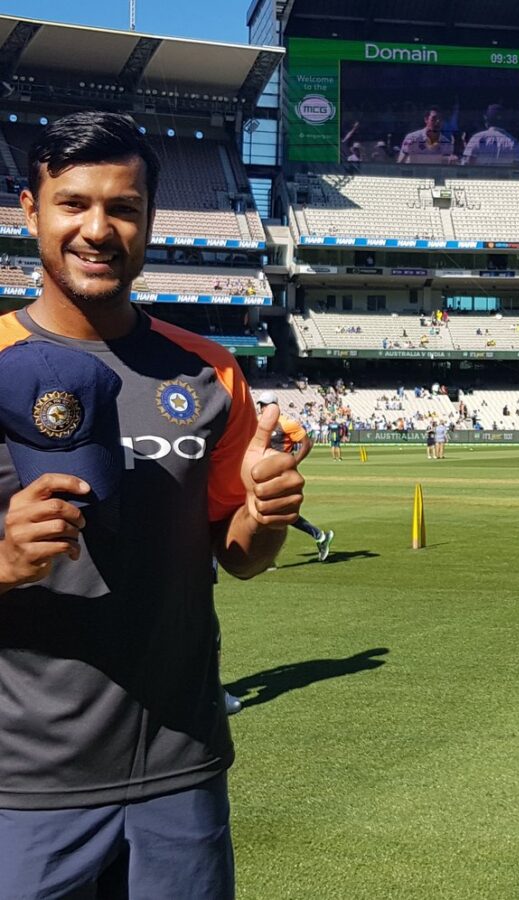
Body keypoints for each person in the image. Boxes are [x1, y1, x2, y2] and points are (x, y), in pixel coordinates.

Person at [0, 111, 308, 898]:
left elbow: (237, 559)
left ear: (148, 219)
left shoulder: (208, 372)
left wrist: (263, 512)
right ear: (30, 210)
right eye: (73, 204)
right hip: (23, 782)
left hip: (180, 767)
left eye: (123, 208)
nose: (98, 229)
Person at [256, 392, 334, 561]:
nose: (262, 408)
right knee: (276, 513)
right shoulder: (258, 423)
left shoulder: (286, 423)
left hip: (280, 475)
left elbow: (306, 443)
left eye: (266, 405)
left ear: (275, 406)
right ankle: (319, 536)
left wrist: (294, 462)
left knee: (274, 512)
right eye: (261, 404)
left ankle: (268, 558)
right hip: (263, 474)